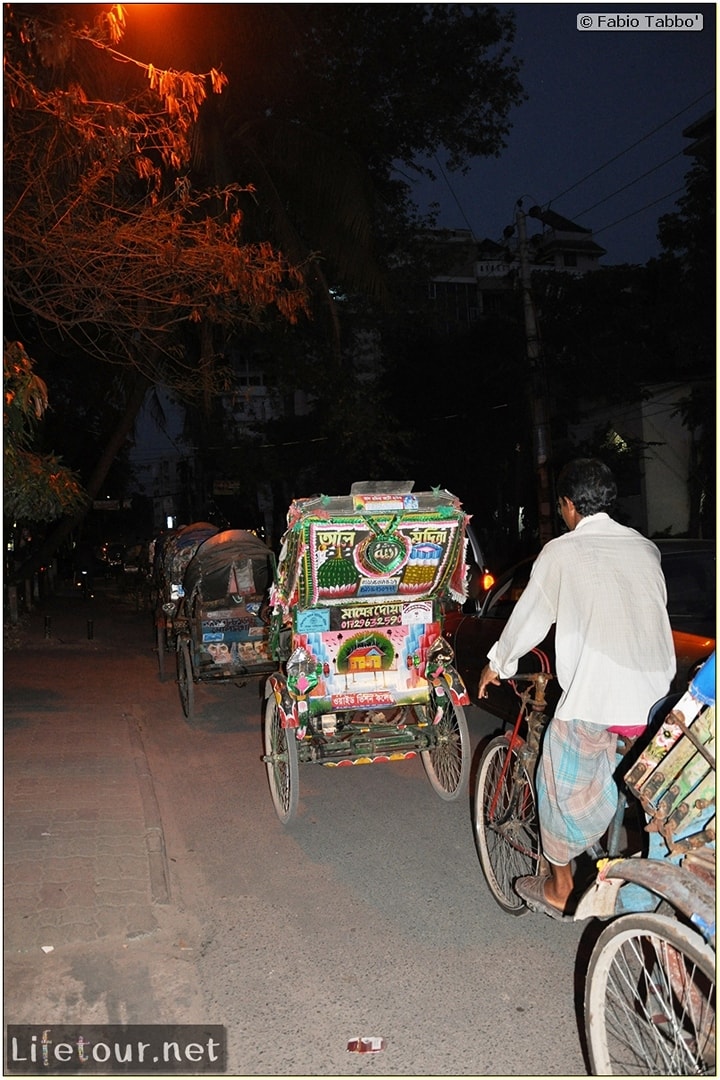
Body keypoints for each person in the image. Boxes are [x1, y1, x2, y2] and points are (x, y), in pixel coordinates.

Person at [477, 458, 675, 920]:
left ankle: (562, 886)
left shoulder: (561, 553)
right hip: (655, 706)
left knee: (554, 779)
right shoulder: (646, 550)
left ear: (568, 506)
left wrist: (497, 664)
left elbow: (529, 618)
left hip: (597, 703)